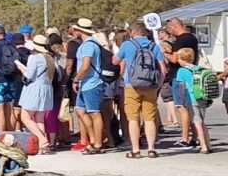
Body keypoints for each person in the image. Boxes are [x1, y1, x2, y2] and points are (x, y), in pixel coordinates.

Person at [116, 20, 163, 156]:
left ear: (133, 32)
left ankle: (135, 150)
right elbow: (163, 68)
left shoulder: (127, 45)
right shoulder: (153, 46)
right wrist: (158, 84)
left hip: (132, 84)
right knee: (149, 118)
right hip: (150, 85)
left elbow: (115, 60)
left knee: (133, 118)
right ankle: (151, 149)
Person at [70, 18, 112, 153]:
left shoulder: (88, 45)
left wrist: (76, 79)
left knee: (94, 112)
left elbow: (85, 65)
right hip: (85, 83)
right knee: (80, 110)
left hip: (91, 83)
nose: (73, 31)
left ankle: (98, 143)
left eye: (75, 29)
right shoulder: (89, 44)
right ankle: (93, 139)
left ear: (80, 31)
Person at [160, 18, 203, 149]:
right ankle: (194, 137)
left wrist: (163, 52)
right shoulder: (191, 38)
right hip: (187, 75)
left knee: (181, 107)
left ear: (174, 27)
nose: (169, 32)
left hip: (180, 76)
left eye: (169, 28)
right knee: (189, 107)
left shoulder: (183, 40)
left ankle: (185, 138)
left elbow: (175, 59)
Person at [170, 47, 216, 154]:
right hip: (203, 97)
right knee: (202, 121)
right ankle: (209, 144)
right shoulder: (198, 68)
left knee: (197, 122)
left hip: (192, 97)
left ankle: (203, 146)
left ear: (181, 59)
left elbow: (181, 87)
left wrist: (181, 101)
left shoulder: (181, 71)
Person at [17, 34, 58, 151]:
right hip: (46, 89)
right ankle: (43, 147)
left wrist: (21, 68)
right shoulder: (50, 58)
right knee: (39, 119)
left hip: (35, 89)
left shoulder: (35, 58)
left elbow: (29, 75)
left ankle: (42, 139)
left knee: (25, 117)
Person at [0, 25, 21, 133]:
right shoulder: (11, 45)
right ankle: (11, 134)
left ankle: (1, 136)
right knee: (9, 109)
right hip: (10, 80)